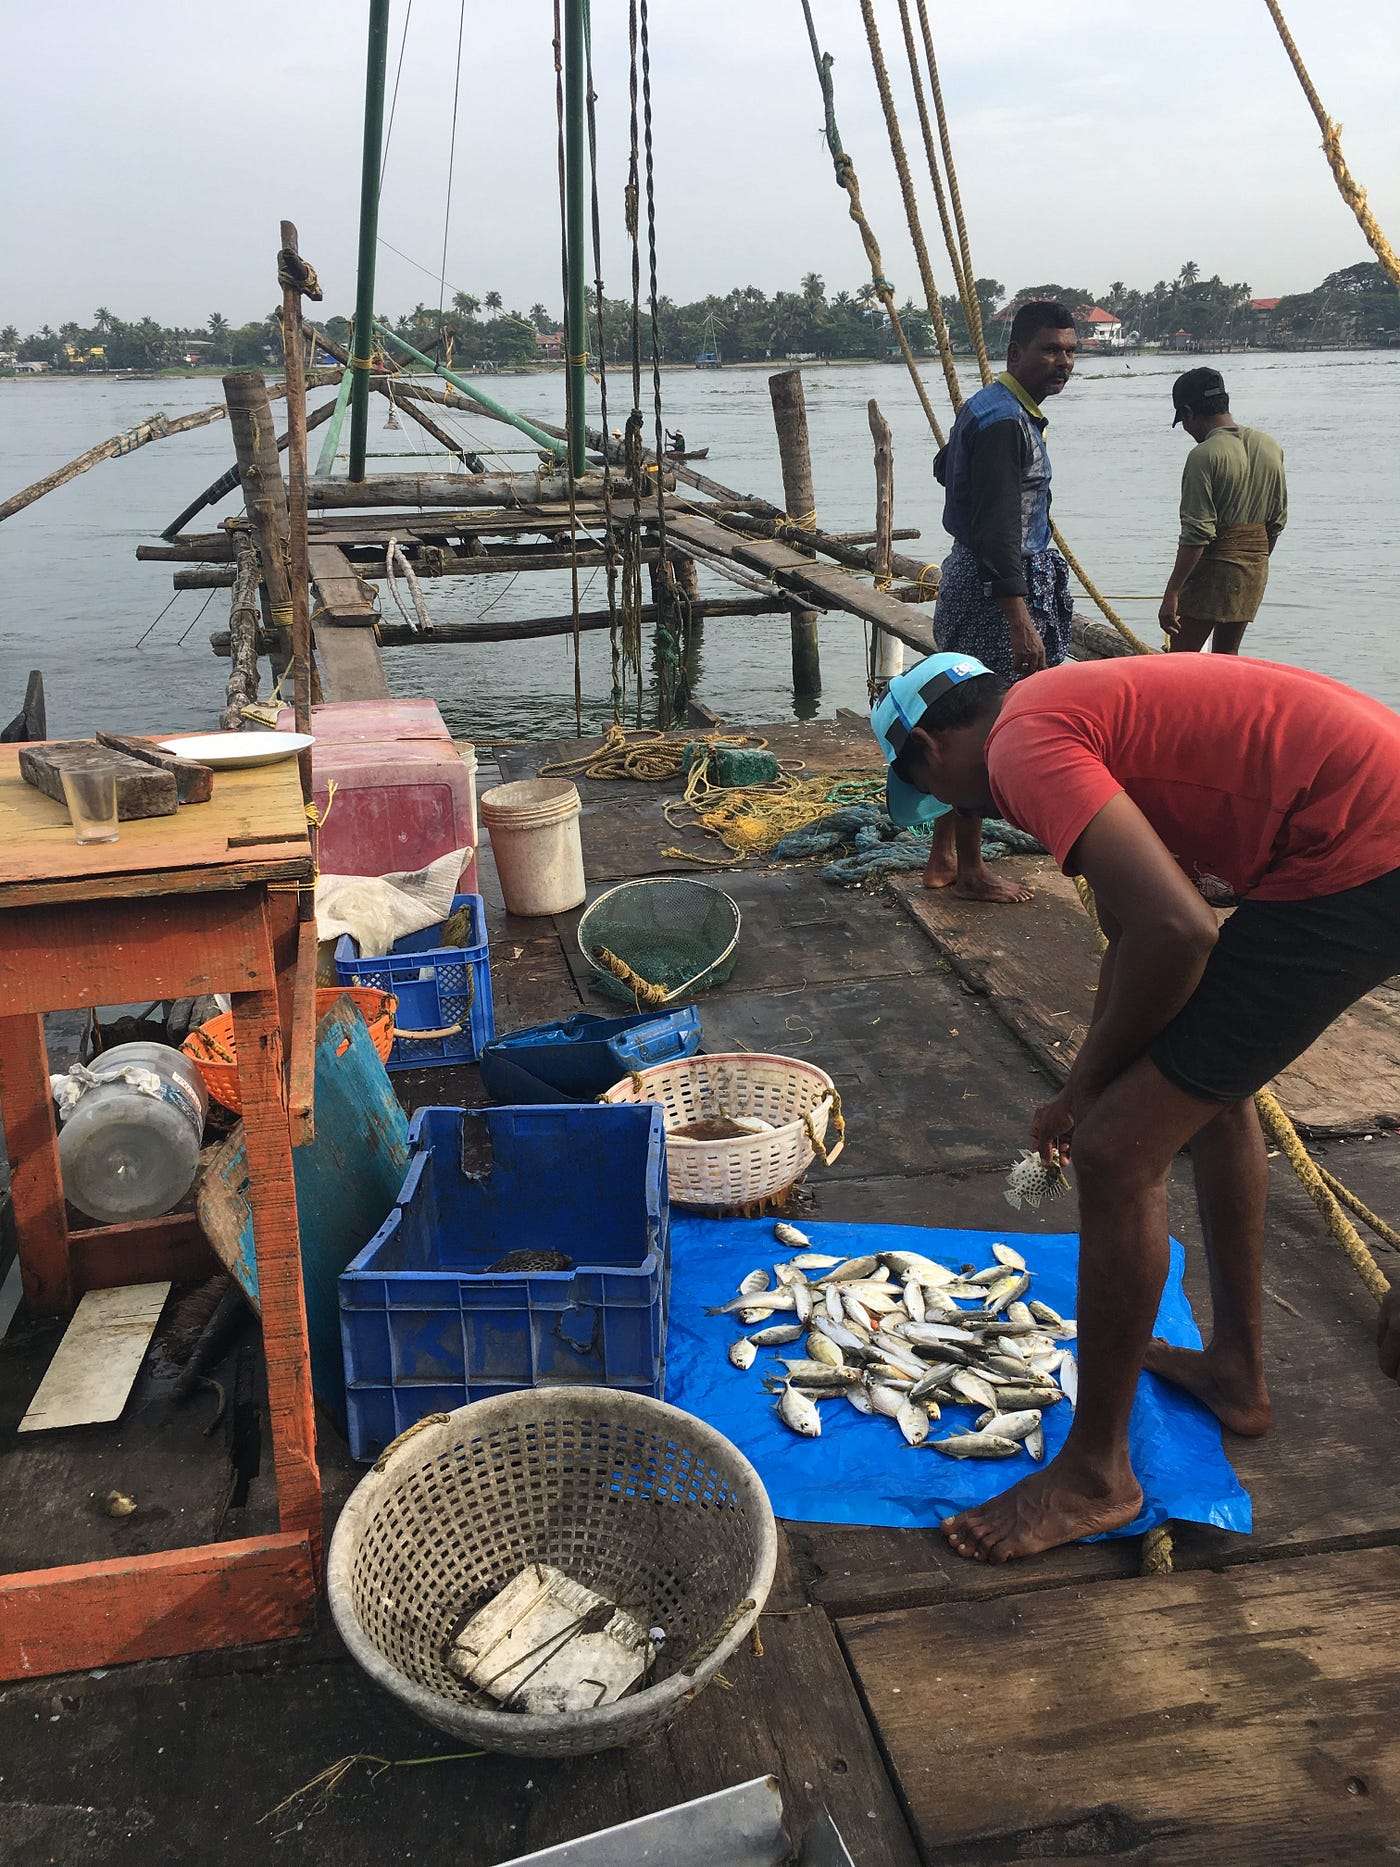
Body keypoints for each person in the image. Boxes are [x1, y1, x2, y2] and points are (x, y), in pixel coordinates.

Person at [871, 648, 1400, 1562]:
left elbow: (1180, 930)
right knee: (1209, 1093)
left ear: (931, 744)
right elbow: (1137, 933)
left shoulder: (1020, 749)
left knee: (1119, 1152)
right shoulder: (1074, 714)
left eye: (945, 794)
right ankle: (1236, 1373)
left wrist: (1088, 1098)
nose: (972, 815)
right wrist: (1084, 1075)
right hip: (1359, 826)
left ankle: (1095, 1474)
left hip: (1362, 849)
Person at [925, 300, 1078, 904]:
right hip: (998, 589)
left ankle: (943, 856)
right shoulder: (1006, 422)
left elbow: (944, 467)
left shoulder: (989, 407)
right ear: (1016, 354)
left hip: (976, 574)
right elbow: (997, 531)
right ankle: (971, 870)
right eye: (1049, 350)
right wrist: (1020, 620)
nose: (1062, 362)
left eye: (1070, 351)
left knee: (959, 713)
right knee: (985, 724)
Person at [1159, 367, 1287, 654]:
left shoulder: (1203, 455)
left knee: (1181, 661)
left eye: (1184, 422)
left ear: (1189, 413)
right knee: (1227, 658)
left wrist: (1173, 592)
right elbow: (1276, 523)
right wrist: (1251, 561)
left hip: (1212, 571)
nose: (1188, 431)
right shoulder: (1270, 447)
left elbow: (1196, 534)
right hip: (1254, 570)